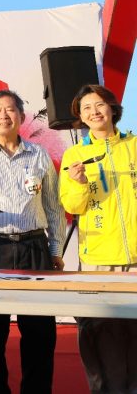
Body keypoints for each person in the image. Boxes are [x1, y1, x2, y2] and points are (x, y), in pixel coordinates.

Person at [0, 89, 65, 394]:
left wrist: (55, 249)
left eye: (10, 110)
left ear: (21, 116)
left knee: (40, 331)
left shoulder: (38, 154)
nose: (4, 116)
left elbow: (53, 206)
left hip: (34, 248)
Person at [59, 84, 137, 394]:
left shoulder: (133, 145)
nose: (94, 112)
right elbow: (72, 205)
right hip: (98, 261)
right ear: (80, 116)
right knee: (103, 339)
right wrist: (78, 183)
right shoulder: (75, 155)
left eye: (100, 105)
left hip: (135, 260)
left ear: (113, 108)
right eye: (86, 108)